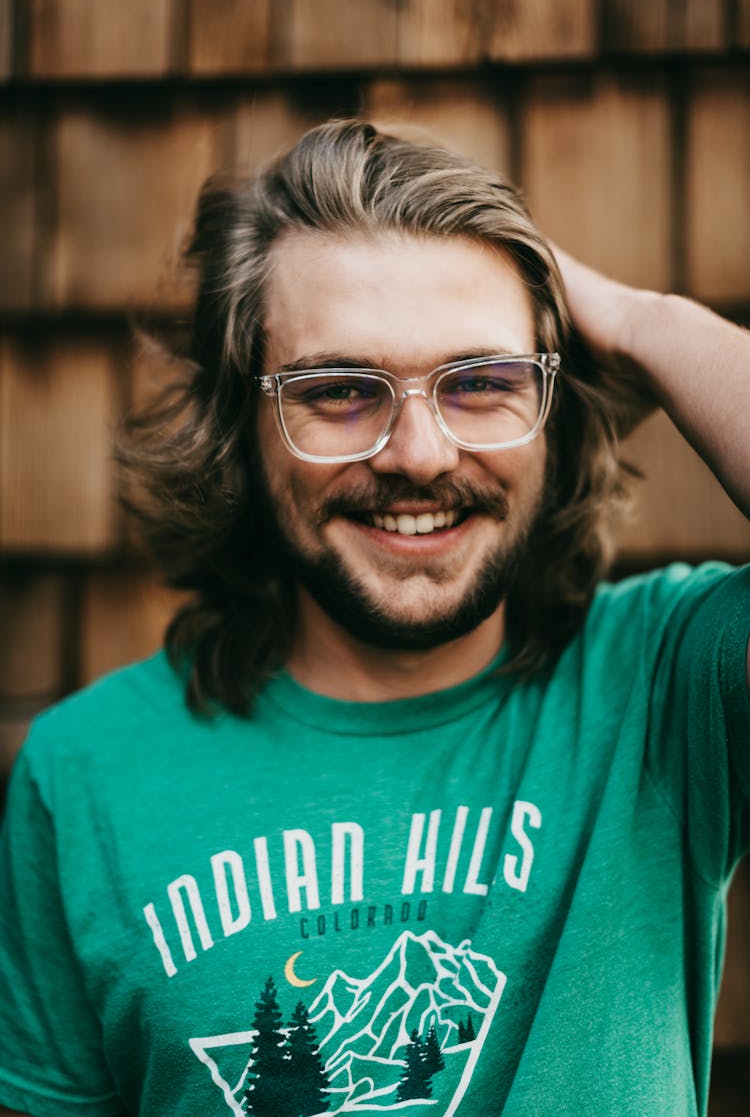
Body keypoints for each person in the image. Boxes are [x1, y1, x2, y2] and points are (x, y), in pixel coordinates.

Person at [0, 118, 748, 1117]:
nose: (419, 454)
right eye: (340, 390)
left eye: (482, 382)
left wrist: (640, 319)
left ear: (553, 409)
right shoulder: (85, 774)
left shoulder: (665, 692)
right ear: (241, 429)